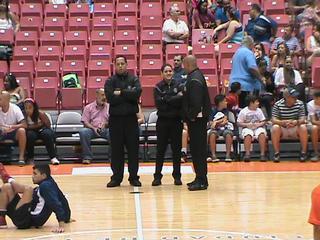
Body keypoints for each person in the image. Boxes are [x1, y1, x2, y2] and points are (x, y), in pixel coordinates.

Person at [104, 55, 142, 188]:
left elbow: (137, 94)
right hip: (116, 121)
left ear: (127, 64)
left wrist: (120, 93)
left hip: (131, 120)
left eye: (122, 63)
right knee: (116, 151)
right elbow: (110, 98)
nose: (120, 66)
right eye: (118, 64)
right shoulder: (110, 81)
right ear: (115, 65)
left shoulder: (134, 78)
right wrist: (128, 94)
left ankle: (133, 177)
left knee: (133, 150)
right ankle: (116, 178)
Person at [0, 163, 72, 232]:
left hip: (30, 220)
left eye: (35, 174)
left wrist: (61, 224)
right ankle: (1, 219)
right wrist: (67, 217)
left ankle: (9, 179)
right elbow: (62, 198)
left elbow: (55, 204)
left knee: (28, 189)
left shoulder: (45, 186)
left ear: (43, 176)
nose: (32, 176)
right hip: (25, 216)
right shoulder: (50, 182)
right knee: (7, 187)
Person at [182, 55, 211, 191]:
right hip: (198, 120)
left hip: (197, 120)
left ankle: (201, 180)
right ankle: (199, 177)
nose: (183, 67)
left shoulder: (194, 79)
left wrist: (191, 116)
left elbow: (196, 103)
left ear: (188, 64)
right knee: (196, 150)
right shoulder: (196, 76)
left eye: (184, 65)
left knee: (198, 150)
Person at [152, 64, 183, 186]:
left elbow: (181, 101)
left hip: (176, 121)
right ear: (162, 73)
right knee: (160, 150)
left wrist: (167, 98)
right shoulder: (157, 87)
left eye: (170, 71)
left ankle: (177, 176)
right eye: (166, 71)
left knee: (176, 150)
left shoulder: (179, 85)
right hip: (163, 121)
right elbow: (160, 105)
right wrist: (174, 99)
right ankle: (157, 177)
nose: (169, 73)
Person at [271, 87, 308, 162]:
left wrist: (296, 122)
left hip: (295, 127)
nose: (295, 98)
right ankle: (276, 153)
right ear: (287, 97)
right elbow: (274, 119)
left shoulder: (300, 103)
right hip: (283, 128)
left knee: (303, 127)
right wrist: (282, 122)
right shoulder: (278, 104)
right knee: (275, 127)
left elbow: (302, 119)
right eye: (293, 96)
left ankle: (303, 152)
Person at [229, 36, 266, 108]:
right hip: (245, 87)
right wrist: (261, 79)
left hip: (234, 85)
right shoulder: (248, 53)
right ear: (251, 44)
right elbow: (252, 68)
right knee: (246, 112)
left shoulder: (236, 53)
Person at [24, 98, 59, 165]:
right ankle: (30, 158)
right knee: (30, 135)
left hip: (43, 129)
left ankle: (53, 157)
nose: (28, 110)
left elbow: (48, 125)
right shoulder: (23, 115)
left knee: (47, 134)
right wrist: (37, 125)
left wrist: (38, 125)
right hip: (31, 131)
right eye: (26, 108)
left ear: (34, 107)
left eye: (30, 108)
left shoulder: (40, 113)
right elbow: (25, 126)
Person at [79, 88, 109, 165]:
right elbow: (85, 122)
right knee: (83, 132)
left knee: (114, 131)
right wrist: (93, 128)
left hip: (106, 129)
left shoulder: (110, 107)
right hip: (92, 129)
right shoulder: (88, 107)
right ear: (96, 95)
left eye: (105, 95)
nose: (104, 97)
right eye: (102, 95)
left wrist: (106, 124)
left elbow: (114, 121)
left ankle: (112, 157)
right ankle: (87, 157)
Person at [237, 95, 268, 161]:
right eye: (256, 102)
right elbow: (239, 123)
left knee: (262, 133)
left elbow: (263, 121)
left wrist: (259, 124)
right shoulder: (243, 111)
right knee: (248, 134)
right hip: (247, 127)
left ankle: (262, 154)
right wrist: (247, 125)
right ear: (251, 103)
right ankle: (247, 154)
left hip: (257, 127)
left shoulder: (259, 110)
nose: (258, 103)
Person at [0, 90, 26, 165]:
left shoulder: (15, 108)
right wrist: (2, 127)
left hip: (13, 131)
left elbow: (24, 124)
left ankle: (21, 157)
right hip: (1, 131)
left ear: (6, 100)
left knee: (22, 131)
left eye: (0, 99)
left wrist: (13, 127)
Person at [207, 94, 234, 162]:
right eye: (225, 101)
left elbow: (225, 121)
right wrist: (217, 123)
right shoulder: (212, 111)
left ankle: (228, 155)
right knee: (212, 134)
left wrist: (216, 122)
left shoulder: (226, 110)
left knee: (228, 134)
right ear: (220, 103)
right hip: (215, 130)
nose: (226, 103)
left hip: (225, 128)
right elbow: (211, 124)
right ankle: (213, 155)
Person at [308, 91, 320, 161]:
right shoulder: (310, 104)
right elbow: (313, 121)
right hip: (312, 125)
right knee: (315, 128)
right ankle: (316, 153)